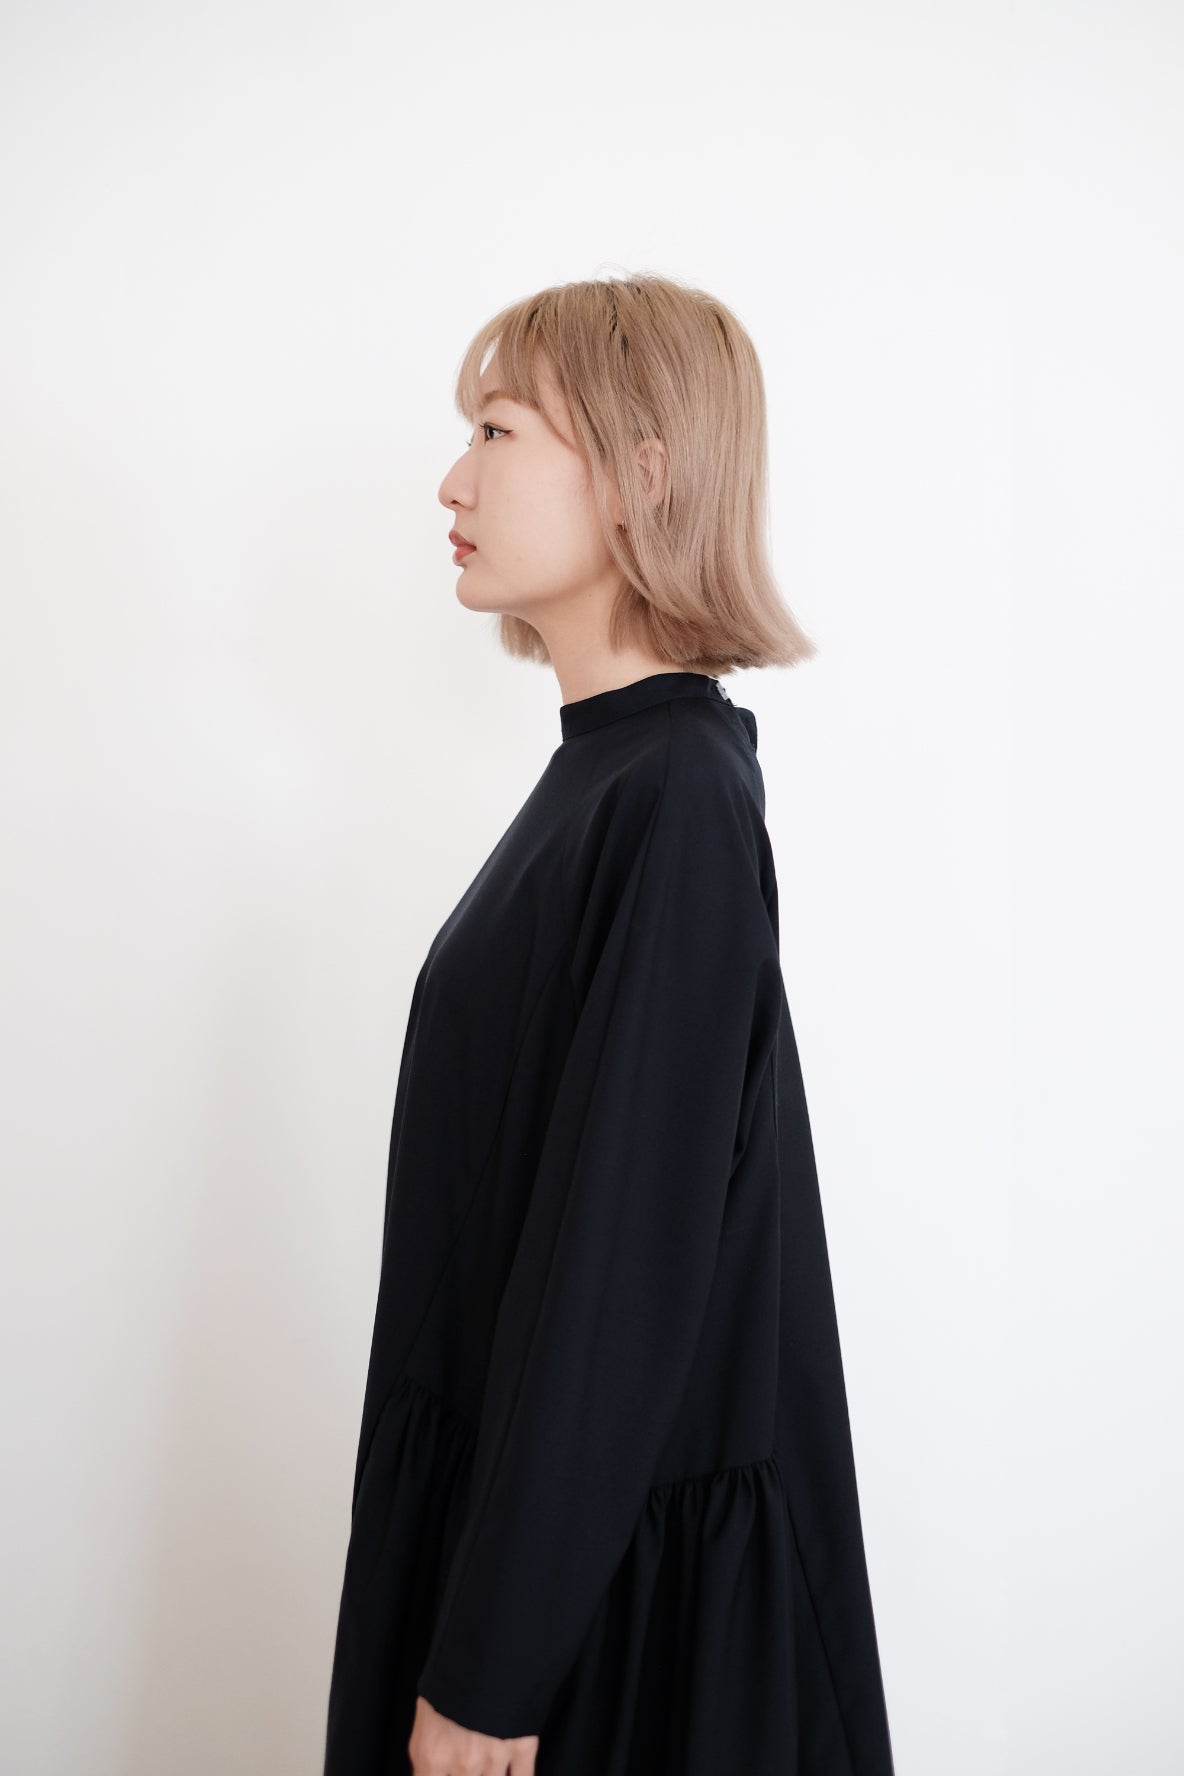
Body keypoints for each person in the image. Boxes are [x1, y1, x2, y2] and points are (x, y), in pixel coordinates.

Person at [322, 273, 896, 1776]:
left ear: (642, 472)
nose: (452, 481)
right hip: (532, 1548)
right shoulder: (606, 781)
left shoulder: (677, 797)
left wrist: (491, 1669)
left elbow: (619, 1267)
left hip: (592, 1618)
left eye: (497, 431)